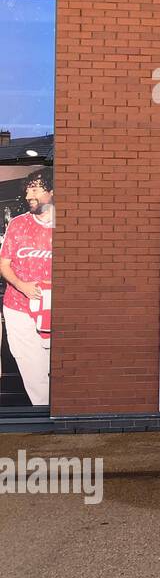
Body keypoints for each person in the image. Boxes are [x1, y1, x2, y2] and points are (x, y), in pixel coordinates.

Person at [0, 169, 54, 405]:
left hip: (54, 310)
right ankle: (45, 418)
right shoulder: (18, 224)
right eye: (27, 189)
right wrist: (22, 285)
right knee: (33, 370)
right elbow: (4, 264)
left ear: (52, 192)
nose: (29, 194)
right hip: (18, 308)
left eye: (36, 188)